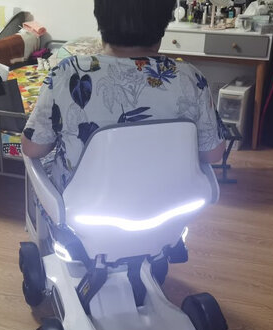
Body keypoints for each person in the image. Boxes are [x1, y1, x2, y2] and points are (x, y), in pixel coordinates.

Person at [21, 0, 227, 190]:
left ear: (99, 17)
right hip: (165, 203)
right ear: (165, 21)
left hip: (80, 207)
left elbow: (32, 148)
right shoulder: (189, 78)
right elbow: (213, 153)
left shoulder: (67, 73)